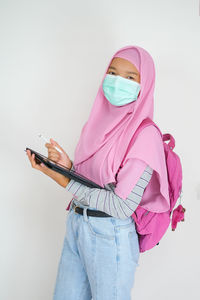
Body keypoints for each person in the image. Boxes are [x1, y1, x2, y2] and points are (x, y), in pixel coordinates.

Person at [26, 45, 170, 300]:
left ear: (144, 84)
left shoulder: (146, 135)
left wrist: (63, 181)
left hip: (109, 235)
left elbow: (122, 205)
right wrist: (67, 167)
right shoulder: (96, 122)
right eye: (112, 73)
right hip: (77, 223)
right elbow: (94, 181)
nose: (117, 82)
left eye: (129, 77)